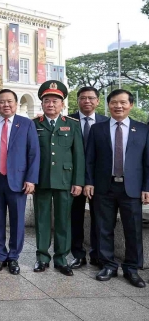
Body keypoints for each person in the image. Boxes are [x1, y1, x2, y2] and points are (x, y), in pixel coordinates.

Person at [85, 89, 149, 288]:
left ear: (130, 105)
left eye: (122, 102)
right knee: (104, 228)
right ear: (108, 105)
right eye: (114, 102)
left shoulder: (143, 129)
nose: (118, 106)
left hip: (132, 188)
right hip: (104, 186)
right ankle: (108, 265)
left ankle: (132, 268)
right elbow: (90, 160)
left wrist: (147, 186)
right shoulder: (98, 129)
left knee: (133, 229)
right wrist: (89, 182)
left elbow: (147, 161)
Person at [0, 89, 40, 275]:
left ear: (16, 104)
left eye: (9, 101)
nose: (6, 105)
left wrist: (31, 179)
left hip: (18, 181)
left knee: (17, 221)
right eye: (2, 101)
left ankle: (14, 257)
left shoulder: (26, 124)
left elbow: (33, 153)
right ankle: (0, 256)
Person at [32, 80, 85, 276]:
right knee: (42, 220)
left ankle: (62, 258)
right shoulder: (33, 124)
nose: (51, 104)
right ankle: (42, 258)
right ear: (42, 104)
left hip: (65, 180)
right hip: (42, 180)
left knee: (64, 221)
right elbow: (31, 155)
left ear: (62, 104)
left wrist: (78, 182)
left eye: (55, 100)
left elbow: (79, 155)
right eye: (47, 100)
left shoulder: (72, 125)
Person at [68, 86, 108, 269]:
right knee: (75, 218)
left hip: (98, 181)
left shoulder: (106, 122)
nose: (87, 101)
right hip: (73, 179)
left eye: (91, 98)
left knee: (99, 218)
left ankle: (97, 254)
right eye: (83, 98)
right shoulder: (68, 120)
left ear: (98, 101)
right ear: (77, 101)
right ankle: (78, 255)